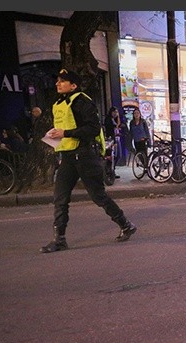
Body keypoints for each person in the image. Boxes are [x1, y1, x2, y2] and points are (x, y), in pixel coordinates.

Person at [40, 68, 137, 253]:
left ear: (73, 85)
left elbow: (93, 129)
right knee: (60, 198)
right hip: (68, 157)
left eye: (62, 81)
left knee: (98, 196)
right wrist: (56, 134)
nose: (57, 83)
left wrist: (65, 133)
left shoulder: (82, 102)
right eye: (57, 80)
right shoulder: (59, 103)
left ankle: (126, 224)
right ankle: (59, 239)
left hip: (85, 156)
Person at [104, 106, 128, 170]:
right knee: (113, 155)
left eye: (117, 112)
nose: (115, 113)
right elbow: (110, 129)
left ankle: (113, 168)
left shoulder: (115, 119)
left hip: (117, 138)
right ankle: (110, 169)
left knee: (118, 155)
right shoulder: (108, 119)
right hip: (111, 139)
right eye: (114, 112)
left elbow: (120, 125)